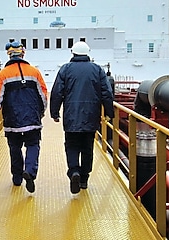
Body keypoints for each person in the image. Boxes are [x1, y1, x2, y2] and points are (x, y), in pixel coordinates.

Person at [49, 41, 114, 194]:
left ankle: (74, 172)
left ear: (73, 53)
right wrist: (110, 113)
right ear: (88, 53)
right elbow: (107, 93)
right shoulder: (97, 69)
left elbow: (57, 92)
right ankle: (84, 178)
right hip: (91, 116)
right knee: (87, 147)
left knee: (71, 145)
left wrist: (54, 112)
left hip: (71, 116)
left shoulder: (65, 69)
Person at [0, 40, 49, 193]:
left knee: (14, 148)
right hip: (32, 118)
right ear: (23, 53)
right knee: (33, 145)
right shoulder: (34, 72)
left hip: (12, 119)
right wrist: (41, 111)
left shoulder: (3, 74)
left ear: (8, 55)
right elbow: (43, 94)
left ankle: (17, 178)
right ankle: (29, 170)